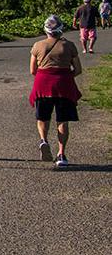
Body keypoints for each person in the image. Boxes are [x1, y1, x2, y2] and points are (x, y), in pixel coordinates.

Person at [30, 15, 84, 167]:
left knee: (42, 118)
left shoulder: (37, 45)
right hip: (64, 87)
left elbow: (33, 70)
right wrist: (65, 77)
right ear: (60, 30)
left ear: (46, 29)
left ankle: (43, 140)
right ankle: (61, 155)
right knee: (62, 121)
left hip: (43, 85)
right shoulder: (69, 46)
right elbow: (78, 69)